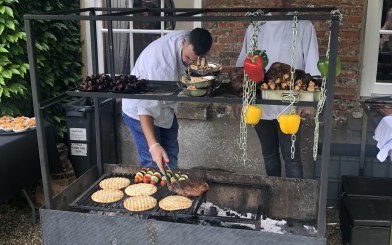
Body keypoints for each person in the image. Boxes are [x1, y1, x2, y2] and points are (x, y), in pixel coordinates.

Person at [234, 0, 321, 178]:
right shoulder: (256, 26)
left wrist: (310, 102)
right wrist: (238, 98)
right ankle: (273, 198)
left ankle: (293, 201)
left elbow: (313, 65)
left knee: (292, 158)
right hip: (259, 103)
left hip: (291, 104)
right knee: (269, 155)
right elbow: (242, 66)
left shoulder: (303, 26)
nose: (277, 2)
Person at [122, 28, 213, 172]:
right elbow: (145, 109)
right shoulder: (160, 65)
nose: (190, 63)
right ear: (183, 43)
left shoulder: (192, 38)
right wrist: (153, 146)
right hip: (140, 112)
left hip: (165, 108)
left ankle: (172, 191)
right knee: (153, 165)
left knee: (171, 161)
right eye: (188, 58)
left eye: (195, 60)